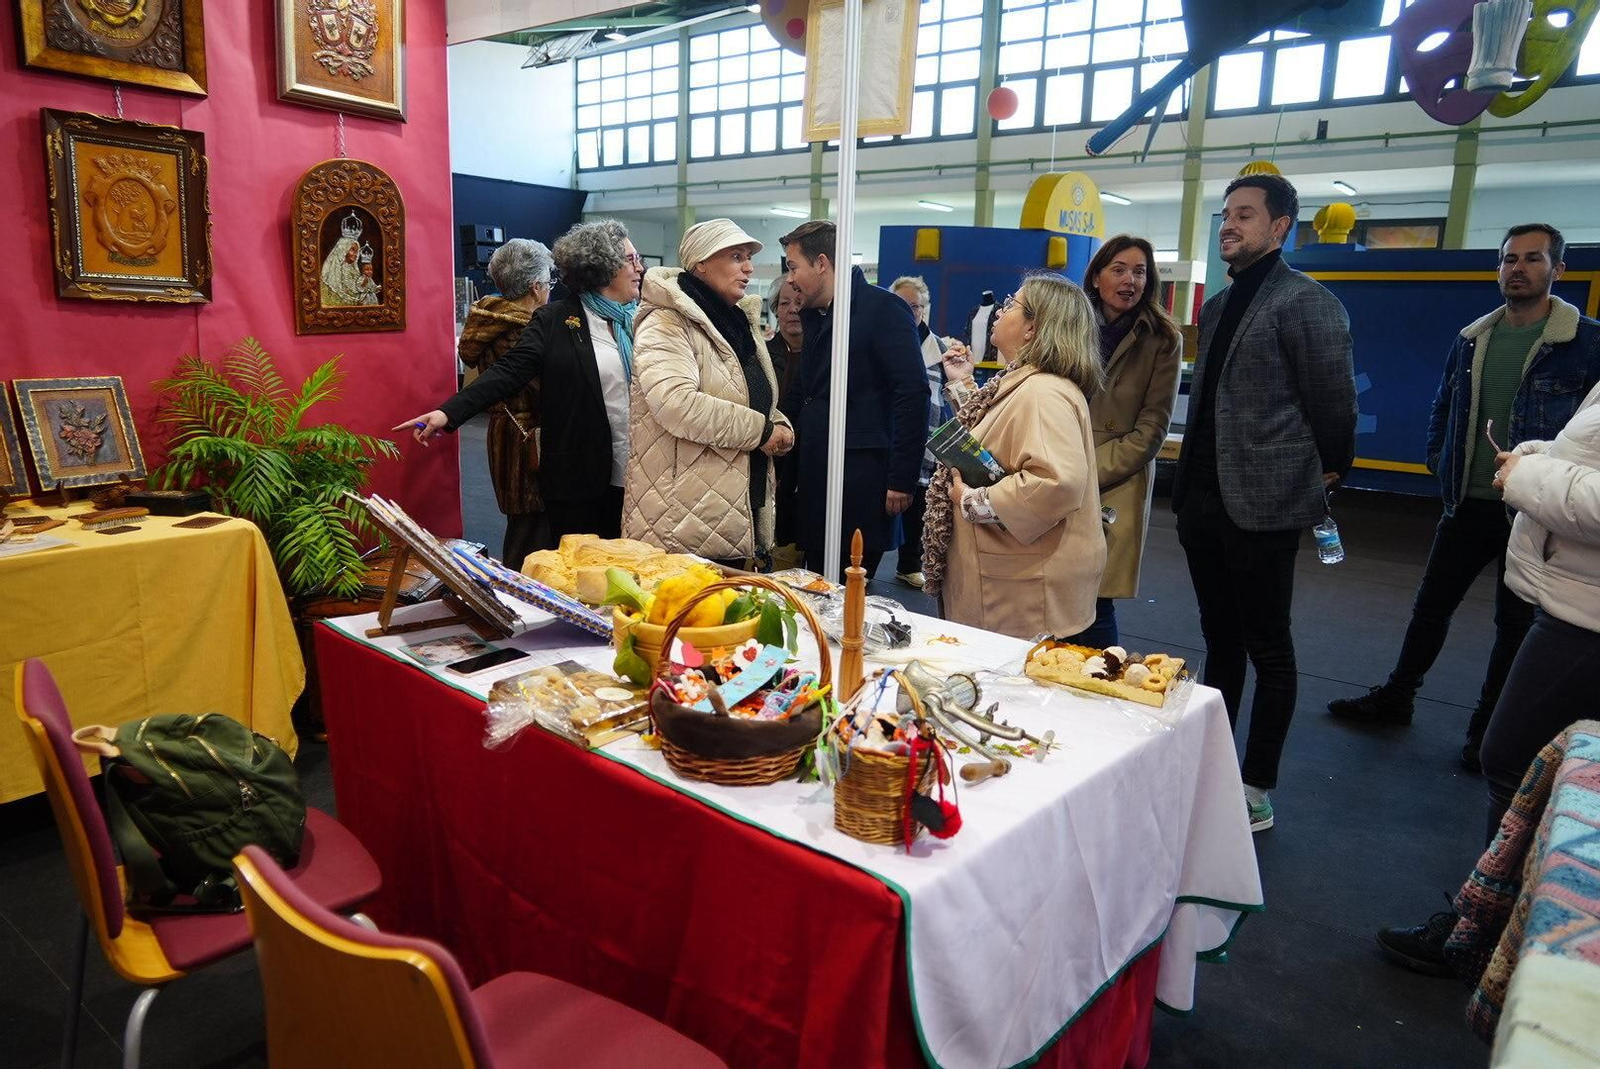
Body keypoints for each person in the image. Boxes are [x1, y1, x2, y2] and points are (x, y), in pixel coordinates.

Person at [1328, 224, 1600, 771]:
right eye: (1509, 259)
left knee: (1514, 624)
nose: (1518, 268)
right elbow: (1444, 404)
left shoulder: (1587, 342)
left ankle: (1486, 728)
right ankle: (1398, 697)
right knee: (1431, 607)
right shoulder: (1473, 337)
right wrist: (1440, 459)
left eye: (1533, 259)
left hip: (1533, 511)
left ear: (1558, 269)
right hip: (1466, 503)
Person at [1376, 378, 1600, 976]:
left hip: (1586, 616)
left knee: (1512, 760)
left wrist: (1529, 476)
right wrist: (1539, 454)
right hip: (1573, 600)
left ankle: (1486, 934)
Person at [1171, 173, 1357, 833]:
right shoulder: (1219, 305)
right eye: (1227, 213)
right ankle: (1213, 762)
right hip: (1203, 501)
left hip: (1266, 503)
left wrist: (1331, 467)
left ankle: (1255, 786)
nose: (1230, 224)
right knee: (1220, 640)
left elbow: (1334, 401)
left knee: (1269, 648)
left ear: (1280, 227)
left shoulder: (1307, 302)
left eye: (1245, 214)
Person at [395, 220, 645, 543]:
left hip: (638, 473)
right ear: (603, 267)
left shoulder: (640, 321)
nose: (640, 268)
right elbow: (509, 371)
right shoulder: (554, 320)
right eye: (630, 259)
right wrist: (448, 413)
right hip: (581, 477)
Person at [921, 274, 1105, 639]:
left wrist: (971, 500)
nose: (1000, 311)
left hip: (1022, 592)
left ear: (1032, 328)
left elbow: (1057, 483)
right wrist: (962, 384)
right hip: (1011, 581)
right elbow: (992, 438)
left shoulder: (1043, 392)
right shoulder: (1028, 383)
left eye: (1011, 305)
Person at [622, 219, 794, 564]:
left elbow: (747, 394)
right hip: (681, 523)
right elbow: (677, 404)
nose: (748, 268)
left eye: (748, 257)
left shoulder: (735, 321)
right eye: (736, 256)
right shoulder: (666, 321)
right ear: (701, 263)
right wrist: (762, 432)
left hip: (729, 510)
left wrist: (778, 423)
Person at [781, 220, 926, 581]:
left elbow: (912, 392)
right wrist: (777, 430)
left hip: (860, 484)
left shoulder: (883, 309)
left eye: (794, 267)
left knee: (847, 592)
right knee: (819, 588)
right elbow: (806, 389)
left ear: (822, 263)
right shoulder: (817, 315)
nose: (790, 279)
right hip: (816, 479)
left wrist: (902, 478)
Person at [1070, 235, 1182, 648]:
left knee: (1096, 603)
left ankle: (1097, 680)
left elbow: (1152, 430)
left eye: (1139, 272)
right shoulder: (1067, 326)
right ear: (1096, 277)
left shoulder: (1164, 339)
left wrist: (1083, 471)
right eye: (1118, 269)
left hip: (1113, 481)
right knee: (1047, 592)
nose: (1129, 280)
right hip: (1052, 469)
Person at [454, 238, 554, 569]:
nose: (550, 289)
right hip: (528, 439)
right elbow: (544, 388)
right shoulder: (526, 331)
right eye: (549, 282)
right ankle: (521, 596)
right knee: (532, 535)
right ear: (536, 287)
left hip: (506, 432)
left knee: (523, 527)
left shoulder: (490, 320)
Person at [888, 275, 970, 589]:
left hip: (930, 438)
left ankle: (909, 564)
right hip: (894, 435)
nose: (909, 311)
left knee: (920, 505)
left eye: (915, 306)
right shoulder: (885, 339)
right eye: (901, 304)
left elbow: (957, 397)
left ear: (924, 309)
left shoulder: (942, 349)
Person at [768, 276, 807, 554]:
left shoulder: (828, 360)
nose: (792, 309)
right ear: (776, 310)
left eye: (799, 302)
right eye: (784, 303)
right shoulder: (759, 356)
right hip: (772, 463)